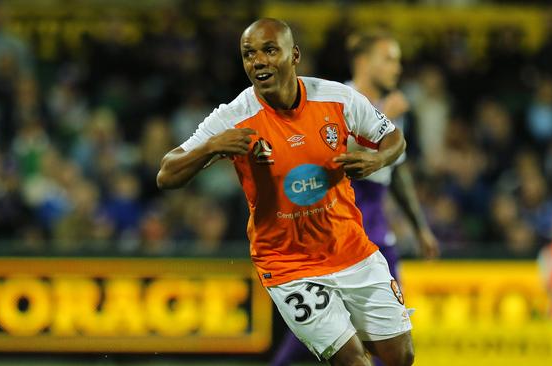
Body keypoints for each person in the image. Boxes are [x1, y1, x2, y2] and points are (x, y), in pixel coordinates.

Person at [157, 19, 414, 366]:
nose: (258, 61)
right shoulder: (234, 116)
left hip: (350, 248)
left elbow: (392, 136)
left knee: (401, 357)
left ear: (294, 56)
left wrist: (377, 159)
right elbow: (166, 173)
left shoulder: (336, 98)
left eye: (269, 50)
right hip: (288, 265)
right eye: (249, 54)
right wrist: (211, 147)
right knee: (353, 361)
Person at [271, 29, 439, 366]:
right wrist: (383, 119)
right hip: (337, 234)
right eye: (388, 59)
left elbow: (397, 171)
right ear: (363, 61)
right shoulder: (337, 100)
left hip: (378, 235)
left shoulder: (389, 109)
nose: (397, 67)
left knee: (389, 338)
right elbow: (322, 160)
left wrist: (420, 227)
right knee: (318, 335)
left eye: (399, 60)